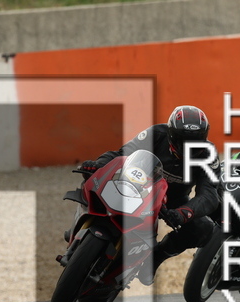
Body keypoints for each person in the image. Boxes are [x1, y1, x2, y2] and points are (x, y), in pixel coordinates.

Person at [80, 105, 220, 285]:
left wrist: (183, 213)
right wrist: (99, 165)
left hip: (173, 201)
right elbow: (122, 154)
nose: (189, 148)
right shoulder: (156, 133)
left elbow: (209, 194)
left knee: (204, 228)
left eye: (196, 143)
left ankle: (155, 257)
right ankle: (84, 222)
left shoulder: (209, 155)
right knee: (94, 182)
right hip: (137, 186)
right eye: (183, 141)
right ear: (171, 135)